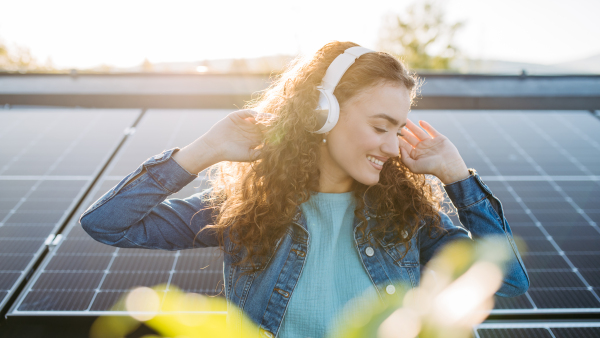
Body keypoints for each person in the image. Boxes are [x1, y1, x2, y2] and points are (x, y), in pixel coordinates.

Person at [79, 41, 529, 338]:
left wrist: (457, 177)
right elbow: (107, 224)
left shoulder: (408, 218)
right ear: (322, 114)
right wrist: (204, 150)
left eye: (399, 130)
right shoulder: (243, 209)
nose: (393, 147)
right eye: (380, 127)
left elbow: (508, 280)